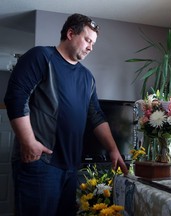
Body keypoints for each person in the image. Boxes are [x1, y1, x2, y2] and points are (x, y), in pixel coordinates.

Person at [4, 13, 128, 216]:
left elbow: (96, 115)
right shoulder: (41, 57)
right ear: (70, 33)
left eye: (93, 43)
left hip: (71, 168)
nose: (91, 47)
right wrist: (28, 142)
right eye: (88, 40)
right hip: (40, 163)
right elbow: (16, 97)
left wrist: (113, 150)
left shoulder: (87, 78)